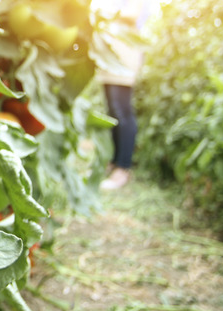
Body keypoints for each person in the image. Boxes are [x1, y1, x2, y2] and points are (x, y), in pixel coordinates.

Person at [96, 0, 155, 190]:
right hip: (111, 52)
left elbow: (133, 14)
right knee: (113, 110)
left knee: (122, 111)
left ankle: (123, 168)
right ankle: (114, 163)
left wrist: (98, 9)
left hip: (125, 51)